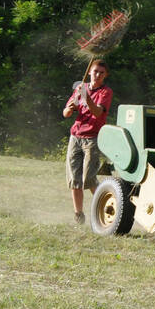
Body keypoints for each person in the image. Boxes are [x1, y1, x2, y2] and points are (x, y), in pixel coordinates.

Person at [63, 59, 113, 226]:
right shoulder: (80, 88)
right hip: (75, 136)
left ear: (105, 76)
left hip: (92, 137)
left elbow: (98, 112)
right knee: (74, 179)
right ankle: (78, 215)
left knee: (89, 178)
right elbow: (66, 114)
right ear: (90, 72)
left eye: (101, 73)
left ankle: (104, 207)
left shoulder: (106, 92)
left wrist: (86, 97)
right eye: (95, 71)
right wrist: (70, 107)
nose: (97, 75)